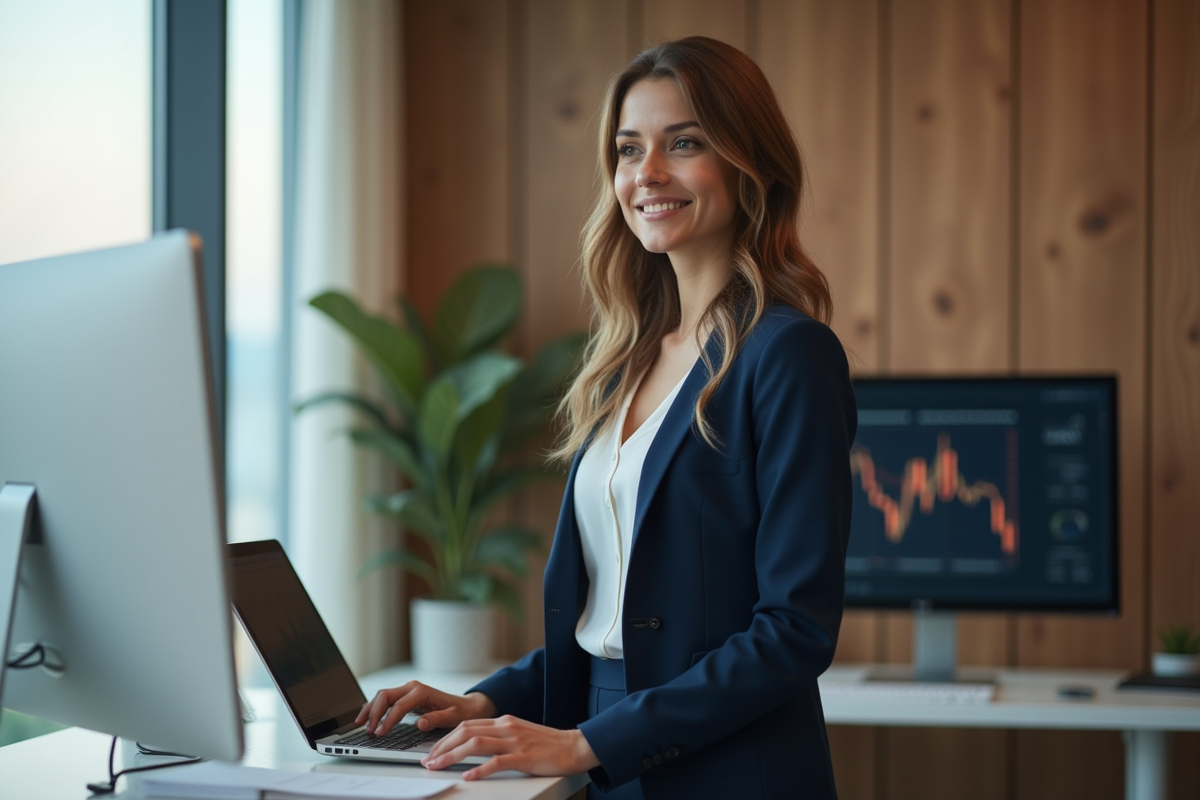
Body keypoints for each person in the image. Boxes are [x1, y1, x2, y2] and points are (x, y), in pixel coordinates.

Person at [356, 36, 856, 800]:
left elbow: (794, 631)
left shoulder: (787, 355)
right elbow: (611, 619)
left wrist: (592, 741)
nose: (646, 173)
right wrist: (487, 700)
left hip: (729, 769)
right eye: (628, 149)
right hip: (600, 754)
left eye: (683, 143)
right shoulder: (625, 360)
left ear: (748, 164)